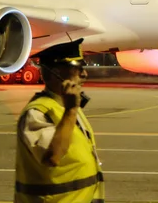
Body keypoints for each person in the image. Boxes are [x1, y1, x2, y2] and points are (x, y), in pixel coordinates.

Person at [14, 38, 105, 202]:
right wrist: (71, 111)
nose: (84, 74)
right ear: (55, 73)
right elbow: (52, 156)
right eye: (77, 68)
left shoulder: (66, 107)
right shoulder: (38, 113)